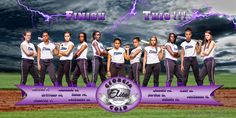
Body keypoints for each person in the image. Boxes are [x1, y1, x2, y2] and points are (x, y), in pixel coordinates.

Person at [20, 31, 40, 96]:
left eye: (30, 35)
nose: (29, 36)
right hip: (25, 62)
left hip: (31, 63)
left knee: (37, 78)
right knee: (24, 79)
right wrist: (32, 53)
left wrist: (31, 53)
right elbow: (27, 53)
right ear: (24, 36)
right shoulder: (23, 44)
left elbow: (36, 54)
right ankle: (23, 94)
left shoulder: (31, 45)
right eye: (27, 35)